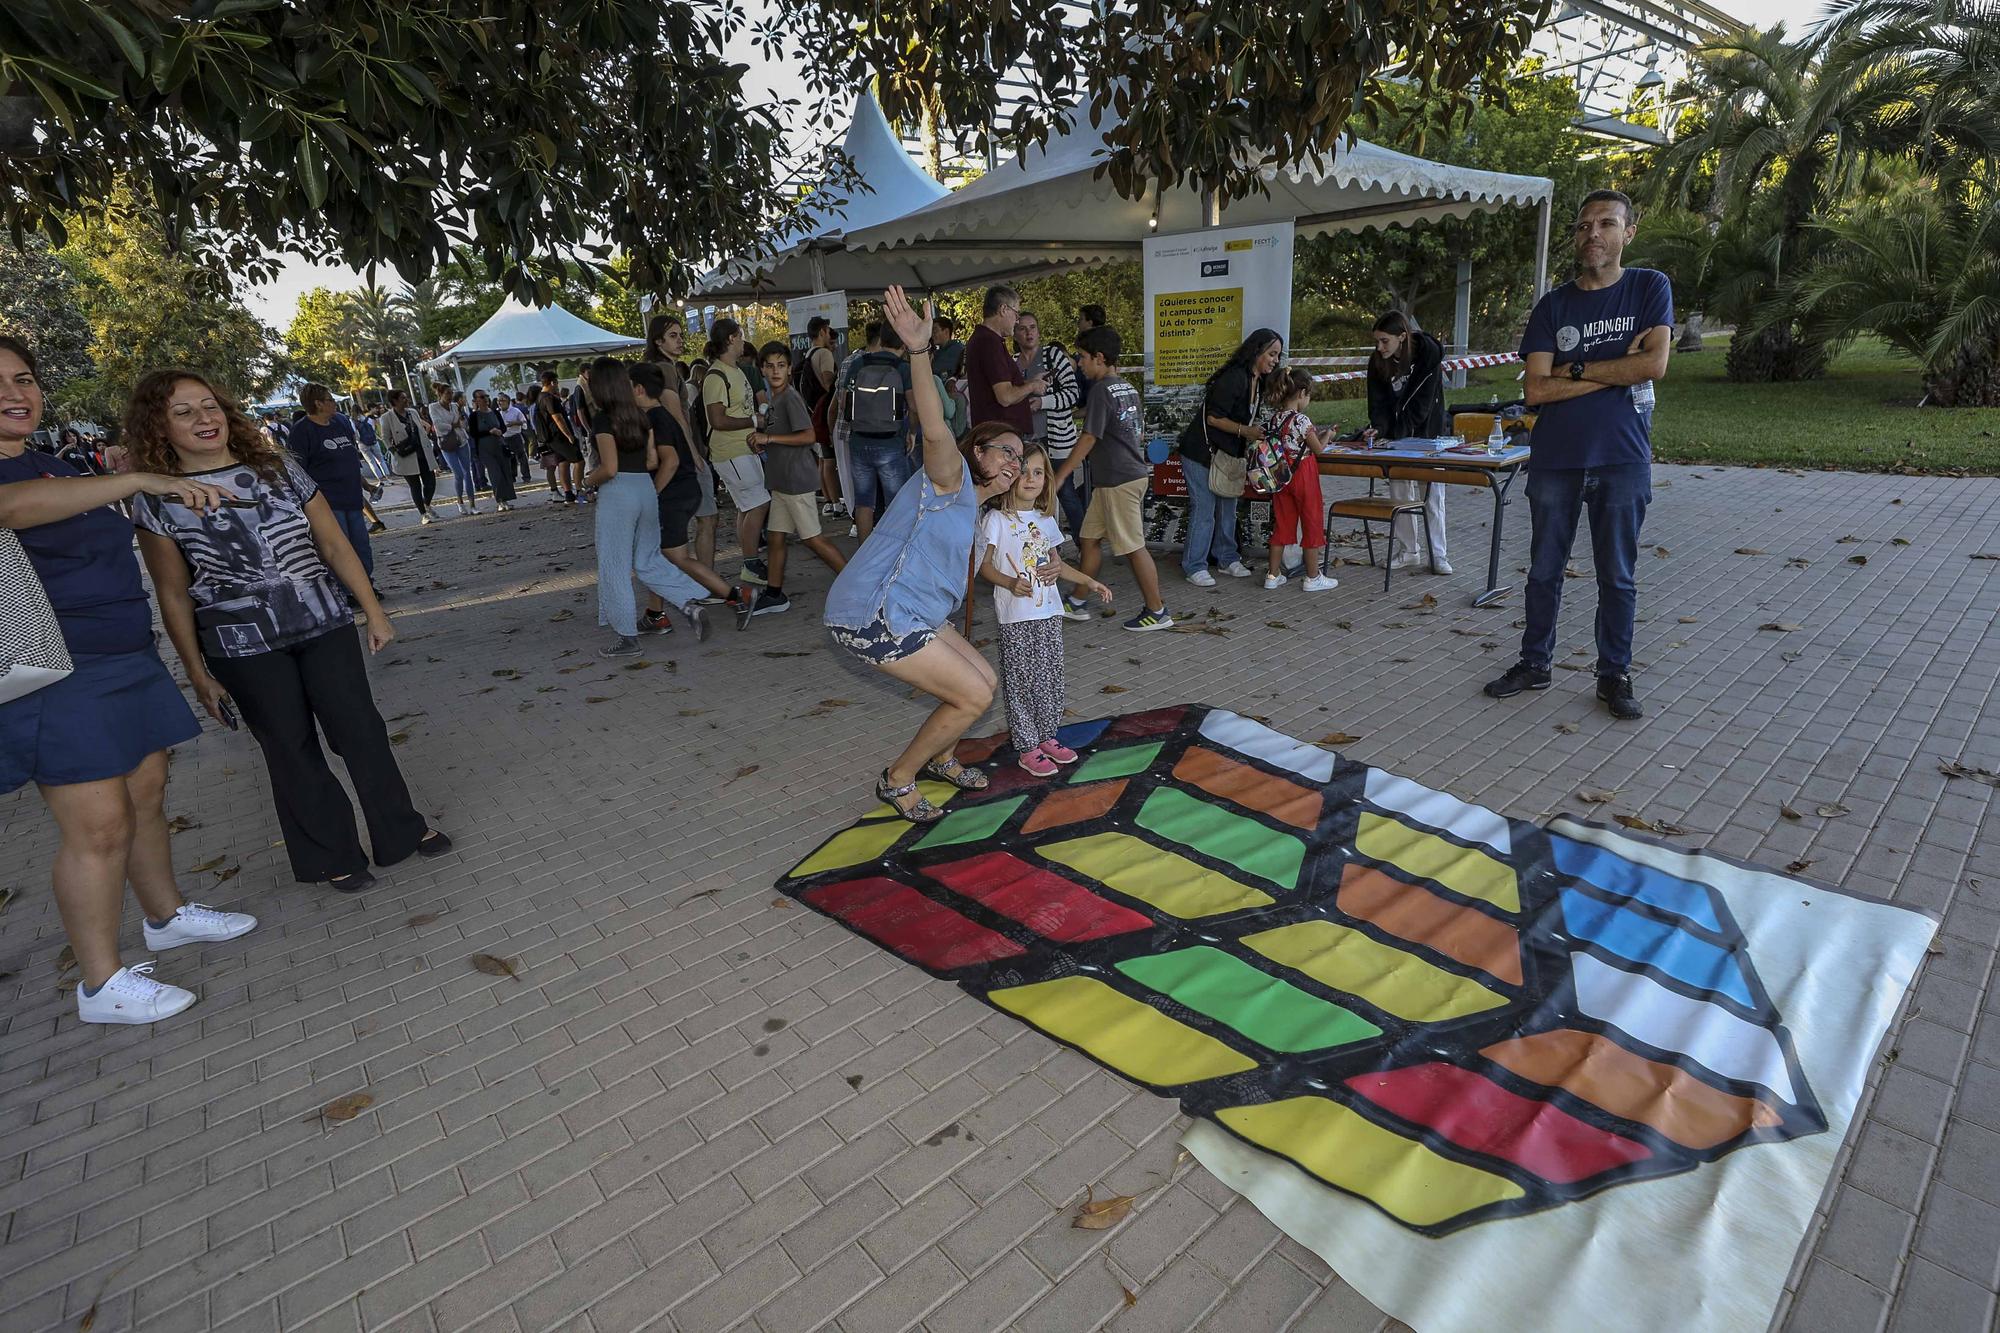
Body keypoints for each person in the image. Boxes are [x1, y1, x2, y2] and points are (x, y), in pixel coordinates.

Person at [0, 338, 259, 1024]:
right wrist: (141, 477)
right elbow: (13, 510)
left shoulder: (50, 465)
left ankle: (166, 915)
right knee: (100, 827)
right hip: (53, 668)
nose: (15, 392)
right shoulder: (24, 481)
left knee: (146, 793)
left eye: (24, 377)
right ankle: (99, 982)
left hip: (122, 654)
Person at [126, 369, 452, 893]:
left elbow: (334, 544)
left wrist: (373, 610)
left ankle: (401, 830)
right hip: (240, 645)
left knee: (360, 730)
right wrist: (196, 673)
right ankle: (332, 855)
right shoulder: (155, 501)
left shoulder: (278, 469)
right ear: (158, 426)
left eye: (209, 405)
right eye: (183, 412)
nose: (203, 419)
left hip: (323, 621)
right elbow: (172, 592)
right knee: (290, 749)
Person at [823, 285, 1025, 824]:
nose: (1013, 462)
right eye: (1004, 451)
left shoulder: (977, 508)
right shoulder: (950, 477)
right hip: (875, 613)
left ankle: (941, 756)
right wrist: (919, 352)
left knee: (984, 682)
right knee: (971, 699)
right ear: (977, 450)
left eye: (1020, 458)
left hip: (912, 611)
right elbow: (935, 427)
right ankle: (898, 779)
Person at [1487, 189, 1673, 722]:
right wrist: (1612, 366)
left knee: (1617, 575)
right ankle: (1534, 662)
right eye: (1585, 224)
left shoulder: (1648, 287)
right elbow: (1535, 392)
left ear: (1628, 233)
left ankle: (1613, 674)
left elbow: (1654, 366)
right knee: (1544, 570)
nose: (1593, 233)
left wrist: (1572, 369)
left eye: (1607, 224)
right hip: (1556, 459)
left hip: (1621, 458)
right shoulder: (1554, 304)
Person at [978, 445, 1113, 775]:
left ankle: (1047, 735)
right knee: (1021, 681)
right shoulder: (996, 520)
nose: (1031, 478)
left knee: (1049, 678)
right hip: (1016, 617)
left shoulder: (1045, 520)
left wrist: (1089, 582)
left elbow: (1057, 565)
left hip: (1049, 613)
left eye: (1038, 472)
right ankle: (1026, 745)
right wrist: (1010, 583)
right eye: (1024, 471)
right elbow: (983, 567)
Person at [581, 356, 713, 655]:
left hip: (619, 493)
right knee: (648, 560)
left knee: (615, 565)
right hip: (645, 490)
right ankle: (688, 601)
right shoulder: (642, 416)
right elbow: (652, 461)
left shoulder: (603, 418)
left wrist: (587, 481)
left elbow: (610, 468)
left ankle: (627, 637)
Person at [1051, 325, 1173, 632]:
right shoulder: (1127, 388)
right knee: (1090, 540)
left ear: (1099, 357)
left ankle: (1157, 611)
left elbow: (1089, 438)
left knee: (1133, 546)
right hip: (1117, 481)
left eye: (1081, 357)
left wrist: (1061, 475)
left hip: (1119, 483)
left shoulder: (1100, 391)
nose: (1079, 363)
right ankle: (1077, 601)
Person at [628, 361, 743, 630]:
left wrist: (651, 494)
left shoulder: (657, 418)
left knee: (671, 557)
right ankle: (656, 614)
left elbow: (669, 462)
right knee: (659, 556)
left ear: (639, 389)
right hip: (681, 493)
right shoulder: (657, 417)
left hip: (674, 495)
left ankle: (734, 596)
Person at [741, 341, 847, 624]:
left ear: (789, 369)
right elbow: (782, 436)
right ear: (761, 368)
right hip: (781, 483)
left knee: (813, 539)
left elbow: (808, 436)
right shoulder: (775, 399)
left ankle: (855, 584)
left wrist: (769, 438)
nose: (775, 371)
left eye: (781, 365)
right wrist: (762, 441)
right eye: (770, 366)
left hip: (796, 482)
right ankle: (775, 594)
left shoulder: (789, 398)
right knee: (775, 538)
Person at [1179, 331, 1277, 587]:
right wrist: (1247, 431)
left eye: (1277, 355)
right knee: (1205, 510)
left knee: (1228, 509)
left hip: (1227, 456)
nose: (1275, 360)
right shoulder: (1235, 378)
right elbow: (1213, 418)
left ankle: (1227, 558)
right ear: (1256, 352)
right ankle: (1194, 565)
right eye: (1271, 354)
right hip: (1202, 453)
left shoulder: (1259, 381)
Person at [1367, 311, 1453, 574]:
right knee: (1399, 493)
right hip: (1395, 439)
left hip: (1428, 436)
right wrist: (1379, 429)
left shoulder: (1427, 357)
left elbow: (1421, 407)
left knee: (1433, 495)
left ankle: (1438, 555)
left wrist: (1395, 433)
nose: (1380, 347)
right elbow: (1377, 403)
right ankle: (1409, 551)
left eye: (1385, 341)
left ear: (1402, 337)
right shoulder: (1377, 362)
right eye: (1377, 341)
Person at [1254, 368, 1340, 593]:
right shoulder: (1301, 420)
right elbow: (1318, 450)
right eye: (1308, 395)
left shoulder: (1275, 418)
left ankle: (1272, 575)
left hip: (1282, 475)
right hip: (1304, 474)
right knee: (1311, 521)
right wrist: (1328, 435)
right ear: (1302, 393)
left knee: (1282, 523)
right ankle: (1313, 577)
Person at [701, 319, 771, 584]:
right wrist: (753, 421)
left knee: (748, 505)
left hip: (744, 448)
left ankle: (750, 561)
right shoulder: (716, 376)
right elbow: (717, 420)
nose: (743, 341)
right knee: (759, 503)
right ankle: (751, 563)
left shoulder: (736, 371)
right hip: (729, 452)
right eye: (741, 336)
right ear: (731, 339)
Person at [287, 384, 376, 583]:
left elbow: (350, 458)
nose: (334, 403)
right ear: (318, 404)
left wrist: (364, 484)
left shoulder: (340, 423)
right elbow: (296, 471)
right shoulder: (302, 431)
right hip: (327, 503)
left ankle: (366, 583)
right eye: (330, 400)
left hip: (352, 498)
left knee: (361, 544)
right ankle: (346, 589)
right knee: (339, 547)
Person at [843, 323, 917, 541]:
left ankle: (863, 554)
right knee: (897, 502)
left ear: (881, 340)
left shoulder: (858, 363)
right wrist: (911, 432)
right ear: (903, 342)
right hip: (890, 443)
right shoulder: (903, 368)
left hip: (858, 440)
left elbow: (843, 404)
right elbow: (913, 406)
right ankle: (894, 550)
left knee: (864, 501)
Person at [1014, 311, 1084, 538]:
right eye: (1023, 329)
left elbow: (1073, 394)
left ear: (1039, 330)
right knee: (1030, 496)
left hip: (1058, 440)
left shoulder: (1053, 356)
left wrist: (1042, 402)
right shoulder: (1013, 364)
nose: (1028, 333)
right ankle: (1039, 548)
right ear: (1015, 334)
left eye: (1032, 327)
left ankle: (1086, 549)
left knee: (1066, 494)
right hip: (1028, 441)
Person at [966, 285, 1044, 435]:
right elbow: (1005, 396)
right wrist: (1033, 386)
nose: (1016, 321)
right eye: (1016, 314)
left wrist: (1028, 382)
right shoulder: (989, 343)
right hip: (1001, 435)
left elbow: (997, 385)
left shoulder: (983, 339)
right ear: (1003, 309)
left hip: (996, 432)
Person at [379, 389, 436, 524]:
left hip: (422, 453)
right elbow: (385, 437)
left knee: (430, 483)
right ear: (395, 401)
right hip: (406, 455)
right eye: (403, 398)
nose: (406, 400)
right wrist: (394, 452)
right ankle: (423, 514)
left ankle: (426, 503)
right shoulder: (387, 417)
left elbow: (421, 428)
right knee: (415, 485)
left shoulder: (413, 412)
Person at [427, 382, 476, 515]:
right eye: (447, 393)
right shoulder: (433, 407)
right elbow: (438, 425)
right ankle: (460, 501)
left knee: (467, 472)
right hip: (447, 443)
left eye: (451, 393)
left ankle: (472, 504)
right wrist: (453, 425)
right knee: (458, 473)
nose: (450, 396)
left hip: (461, 440)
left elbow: (461, 423)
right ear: (440, 394)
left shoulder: (454, 406)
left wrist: (455, 424)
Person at [535, 370, 583, 503]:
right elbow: (557, 418)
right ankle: (580, 491)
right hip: (559, 436)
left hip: (551, 438)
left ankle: (568, 493)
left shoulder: (540, 398)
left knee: (563, 463)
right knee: (579, 461)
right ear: (552, 382)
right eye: (556, 382)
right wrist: (569, 435)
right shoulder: (549, 398)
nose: (557, 385)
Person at [466, 389, 517, 512]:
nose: (485, 399)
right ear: (476, 400)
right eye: (482, 397)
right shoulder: (474, 416)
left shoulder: (495, 412)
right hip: (485, 448)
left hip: (499, 444)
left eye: (486, 396)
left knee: (505, 471)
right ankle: (500, 500)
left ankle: (507, 499)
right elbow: (473, 433)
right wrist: (489, 432)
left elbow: (503, 427)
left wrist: (500, 431)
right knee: (495, 473)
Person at [497, 392, 533, 483]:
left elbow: (524, 422)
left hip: (515, 436)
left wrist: (514, 423)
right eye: (499, 401)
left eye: (503, 400)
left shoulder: (515, 411)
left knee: (521, 457)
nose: (500, 403)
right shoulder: (498, 412)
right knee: (509, 458)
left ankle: (526, 476)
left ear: (508, 402)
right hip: (504, 438)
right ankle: (512, 476)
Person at [931, 315, 966, 381]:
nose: (932, 334)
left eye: (935, 331)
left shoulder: (957, 349)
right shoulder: (936, 353)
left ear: (946, 332)